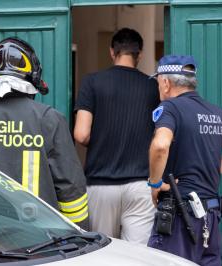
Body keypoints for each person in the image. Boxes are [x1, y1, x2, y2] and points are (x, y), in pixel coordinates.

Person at [0, 37, 89, 229]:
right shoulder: (49, 119)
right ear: (33, 76)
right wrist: (78, 234)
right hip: (40, 239)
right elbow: (71, 188)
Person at [146, 55, 222, 265]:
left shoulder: (171, 108)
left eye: (157, 82)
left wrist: (154, 183)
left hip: (179, 217)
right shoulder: (217, 113)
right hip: (211, 216)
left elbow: (160, 145)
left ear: (165, 82)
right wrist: (211, 166)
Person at [74, 28, 159, 244]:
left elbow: (81, 134)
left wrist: (104, 139)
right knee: (138, 256)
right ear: (139, 54)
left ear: (112, 52)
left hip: (101, 185)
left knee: (104, 252)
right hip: (141, 185)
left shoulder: (92, 82)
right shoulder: (153, 87)